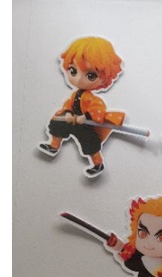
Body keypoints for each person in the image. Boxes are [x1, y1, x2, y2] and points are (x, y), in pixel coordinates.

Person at [38, 36, 124, 177]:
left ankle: (97, 163)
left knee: (90, 143)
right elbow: (68, 104)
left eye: (91, 75)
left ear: (104, 79)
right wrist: (67, 113)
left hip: (86, 125)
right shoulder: (75, 95)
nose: (78, 79)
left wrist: (85, 117)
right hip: (73, 121)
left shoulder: (93, 99)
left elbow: (98, 110)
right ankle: (54, 145)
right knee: (57, 123)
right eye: (73, 71)